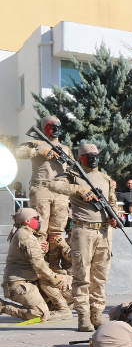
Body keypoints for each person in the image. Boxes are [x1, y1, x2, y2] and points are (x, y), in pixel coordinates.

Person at [46, 143, 116, 331]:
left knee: (99, 277)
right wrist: (79, 190)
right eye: (88, 156)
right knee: (82, 276)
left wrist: (115, 217)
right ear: (80, 158)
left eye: (96, 155)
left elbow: (112, 203)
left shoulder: (105, 179)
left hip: (103, 232)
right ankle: (83, 317)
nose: (93, 158)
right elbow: (53, 184)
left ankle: (96, 314)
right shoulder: (72, 175)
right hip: (82, 231)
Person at [14, 116, 73, 273]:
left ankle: (53, 265)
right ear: (44, 127)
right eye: (51, 126)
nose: (55, 129)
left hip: (60, 192)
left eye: (58, 126)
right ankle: (38, 265)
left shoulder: (65, 149)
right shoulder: (36, 143)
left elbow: (73, 171)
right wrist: (39, 151)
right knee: (40, 229)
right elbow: (17, 152)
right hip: (41, 190)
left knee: (56, 230)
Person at [0, 208, 71, 321]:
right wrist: (54, 278)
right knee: (40, 314)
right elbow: (38, 264)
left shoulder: (27, 235)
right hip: (20, 285)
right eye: (36, 218)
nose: (38, 221)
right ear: (27, 221)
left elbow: (31, 257)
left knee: (63, 293)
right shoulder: (25, 236)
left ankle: (58, 308)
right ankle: (3, 307)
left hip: (30, 282)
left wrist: (42, 249)